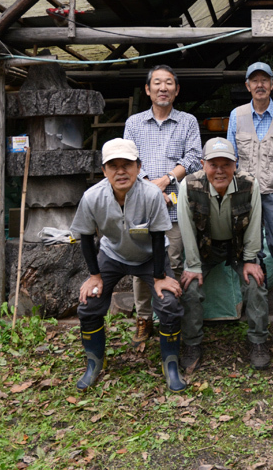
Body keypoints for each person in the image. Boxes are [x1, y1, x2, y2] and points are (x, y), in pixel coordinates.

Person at [71, 138, 186, 392]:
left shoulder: (152, 194)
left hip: (150, 257)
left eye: (127, 165)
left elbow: (158, 236)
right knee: (89, 302)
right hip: (112, 256)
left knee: (169, 302)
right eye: (113, 166)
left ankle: (171, 365)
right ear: (104, 170)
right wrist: (94, 275)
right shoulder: (92, 197)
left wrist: (159, 277)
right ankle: (93, 363)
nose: (121, 171)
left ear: (138, 166)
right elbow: (86, 237)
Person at [123, 65, 202, 352]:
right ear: (148, 89)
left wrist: (167, 180)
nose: (163, 88)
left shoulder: (188, 122)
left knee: (173, 262)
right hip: (141, 206)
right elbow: (128, 158)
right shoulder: (134, 123)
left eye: (169, 83)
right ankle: (144, 318)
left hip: (176, 206)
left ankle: (170, 315)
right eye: (157, 83)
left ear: (176, 90)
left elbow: (194, 157)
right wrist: (148, 186)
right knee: (139, 263)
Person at [177, 137, 270, 372]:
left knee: (256, 283)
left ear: (235, 165)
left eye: (226, 164)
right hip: (204, 248)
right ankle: (192, 343)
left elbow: (254, 225)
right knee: (190, 287)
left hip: (237, 247)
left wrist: (250, 260)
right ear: (202, 164)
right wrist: (193, 265)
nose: (220, 171)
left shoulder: (249, 184)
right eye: (213, 164)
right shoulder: (189, 185)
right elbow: (186, 229)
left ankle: (258, 340)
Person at [226, 62, 273, 318]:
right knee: (250, 245)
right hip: (246, 192)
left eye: (264, 80)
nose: (260, 85)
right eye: (254, 80)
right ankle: (256, 297)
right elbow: (230, 158)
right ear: (247, 86)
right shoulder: (237, 116)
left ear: (272, 84)